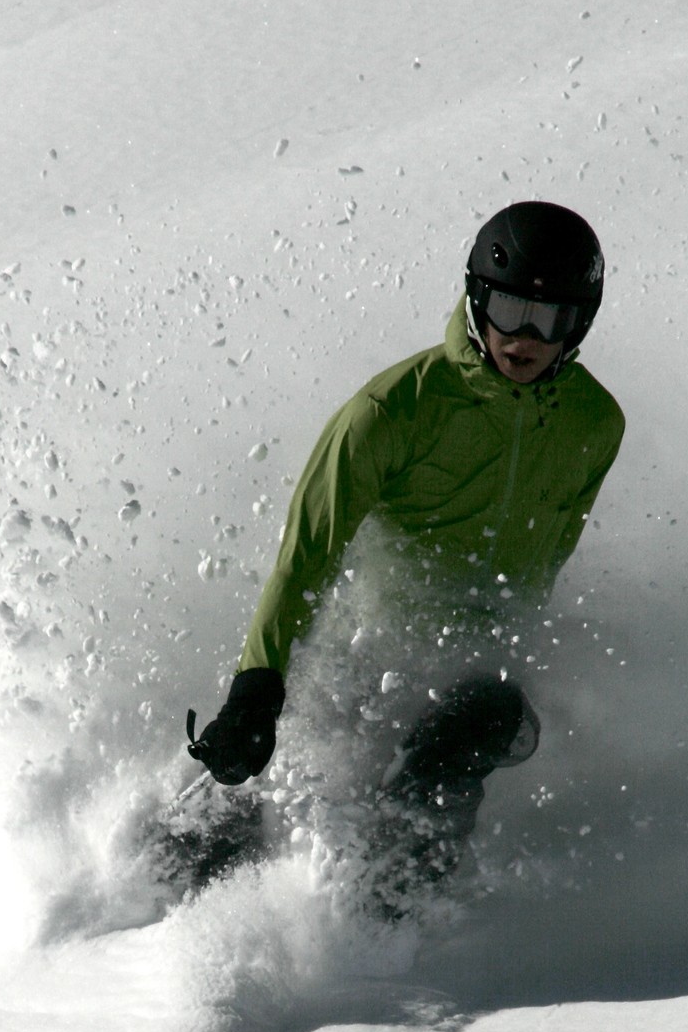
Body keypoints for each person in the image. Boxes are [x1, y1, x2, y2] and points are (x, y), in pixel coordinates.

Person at [186, 200, 625, 853]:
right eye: (508, 309)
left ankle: (389, 890)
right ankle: (163, 857)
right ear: (477, 300)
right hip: (364, 658)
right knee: (254, 793)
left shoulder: (594, 424)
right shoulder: (393, 409)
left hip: (475, 680)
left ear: (579, 322)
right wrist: (256, 689)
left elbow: (547, 562)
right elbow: (306, 555)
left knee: (480, 723)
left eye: (549, 318)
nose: (524, 337)